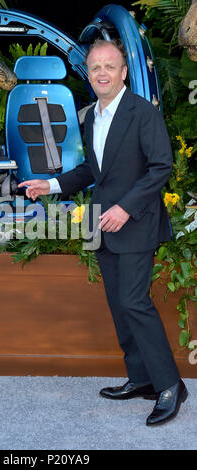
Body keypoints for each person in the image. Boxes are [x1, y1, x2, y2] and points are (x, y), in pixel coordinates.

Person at [18, 39, 188, 426]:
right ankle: (141, 378)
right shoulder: (91, 117)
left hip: (135, 222)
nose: (102, 73)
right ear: (89, 74)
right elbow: (94, 172)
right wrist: (53, 186)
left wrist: (126, 208)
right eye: (95, 67)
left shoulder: (143, 113)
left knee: (134, 302)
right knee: (118, 304)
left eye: (109, 66)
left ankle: (169, 385)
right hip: (101, 224)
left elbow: (160, 168)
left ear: (123, 72)